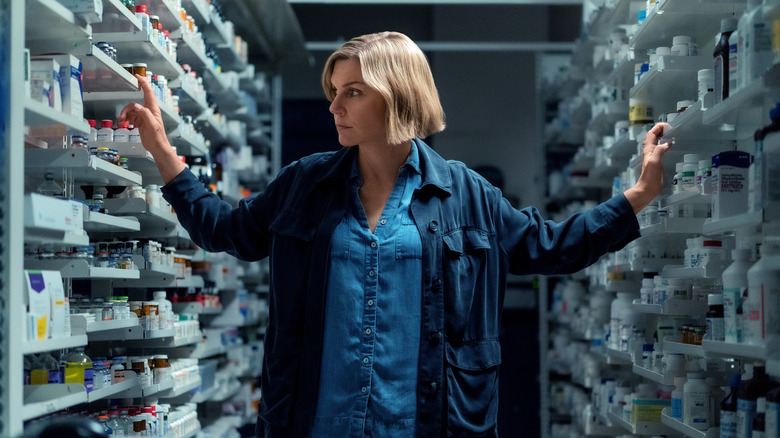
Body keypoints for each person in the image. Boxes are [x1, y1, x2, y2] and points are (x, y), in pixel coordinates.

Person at [119, 31, 670, 438]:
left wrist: (637, 195)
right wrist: (162, 151)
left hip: (426, 423)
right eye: (335, 91)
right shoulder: (304, 184)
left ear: (398, 95)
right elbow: (228, 230)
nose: (334, 106)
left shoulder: (466, 194)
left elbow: (549, 246)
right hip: (314, 421)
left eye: (353, 92)